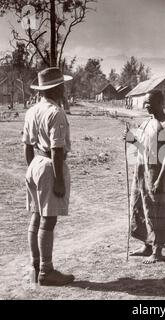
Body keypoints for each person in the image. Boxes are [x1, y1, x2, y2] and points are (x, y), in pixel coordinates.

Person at [23, 67, 75, 286]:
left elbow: (27, 146)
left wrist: (33, 168)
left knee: (36, 215)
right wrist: (58, 180)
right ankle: (46, 271)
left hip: (35, 162)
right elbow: (57, 149)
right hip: (49, 165)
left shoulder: (32, 111)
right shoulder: (56, 112)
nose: (64, 88)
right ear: (56, 88)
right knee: (48, 219)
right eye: (62, 85)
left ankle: (35, 267)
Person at [123, 90, 165, 264]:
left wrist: (160, 179)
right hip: (141, 170)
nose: (146, 106)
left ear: (160, 102)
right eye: (145, 103)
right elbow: (142, 148)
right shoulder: (146, 123)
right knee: (140, 205)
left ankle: (157, 249)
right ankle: (146, 244)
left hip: (156, 171)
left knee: (156, 209)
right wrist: (132, 140)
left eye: (149, 102)